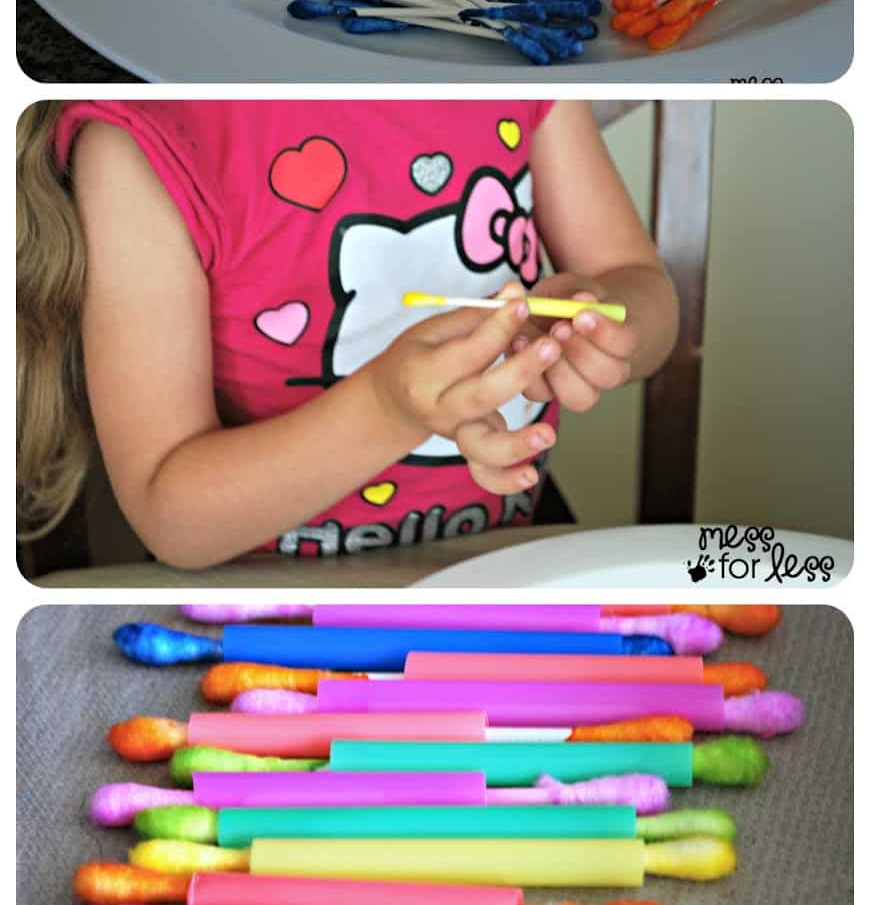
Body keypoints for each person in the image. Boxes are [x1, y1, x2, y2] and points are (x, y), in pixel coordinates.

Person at [17, 99, 678, 567]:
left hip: (505, 557)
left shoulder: (522, 71)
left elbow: (638, 282)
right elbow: (173, 517)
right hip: (269, 598)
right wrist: (388, 409)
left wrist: (604, 320)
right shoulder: (142, 142)